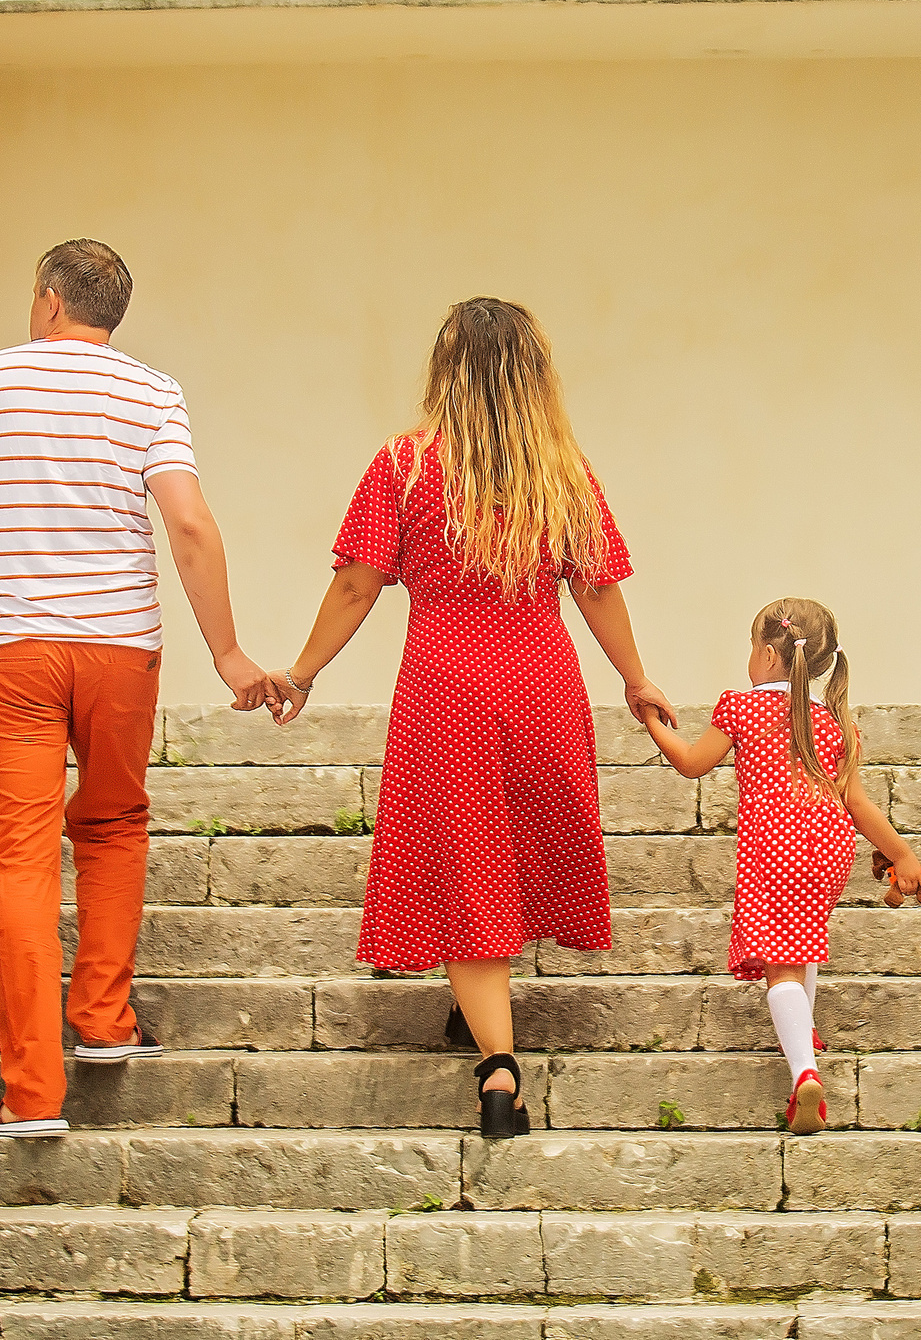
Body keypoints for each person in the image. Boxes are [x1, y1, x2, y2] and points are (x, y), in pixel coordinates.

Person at [268, 298, 673, 1139]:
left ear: (445, 370)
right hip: (541, 679)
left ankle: (499, 1065)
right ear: (535, 374)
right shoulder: (562, 470)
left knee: (467, 851)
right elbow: (596, 585)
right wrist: (635, 678)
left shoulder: (403, 465)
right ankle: (480, 1012)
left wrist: (301, 672)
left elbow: (356, 584)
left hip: (445, 683)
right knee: (515, 841)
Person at [0, 239, 269, 1139]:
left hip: (13, 651)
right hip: (119, 653)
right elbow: (187, 522)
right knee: (110, 821)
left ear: (50, 300)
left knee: (20, 859)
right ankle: (102, 1019)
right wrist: (226, 653)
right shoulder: (152, 391)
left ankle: (31, 1094)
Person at [642, 597, 921, 1135]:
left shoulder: (743, 707)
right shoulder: (835, 722)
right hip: (830, 848)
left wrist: (653, 721)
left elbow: (690, 763)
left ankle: (804, 1074)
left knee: (783, 966)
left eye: (752, 648)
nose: (749, 659)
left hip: (775, 847)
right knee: (802, 941)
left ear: (770, 656)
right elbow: (858, 805)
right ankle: (806, 1035)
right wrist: (903, 854)